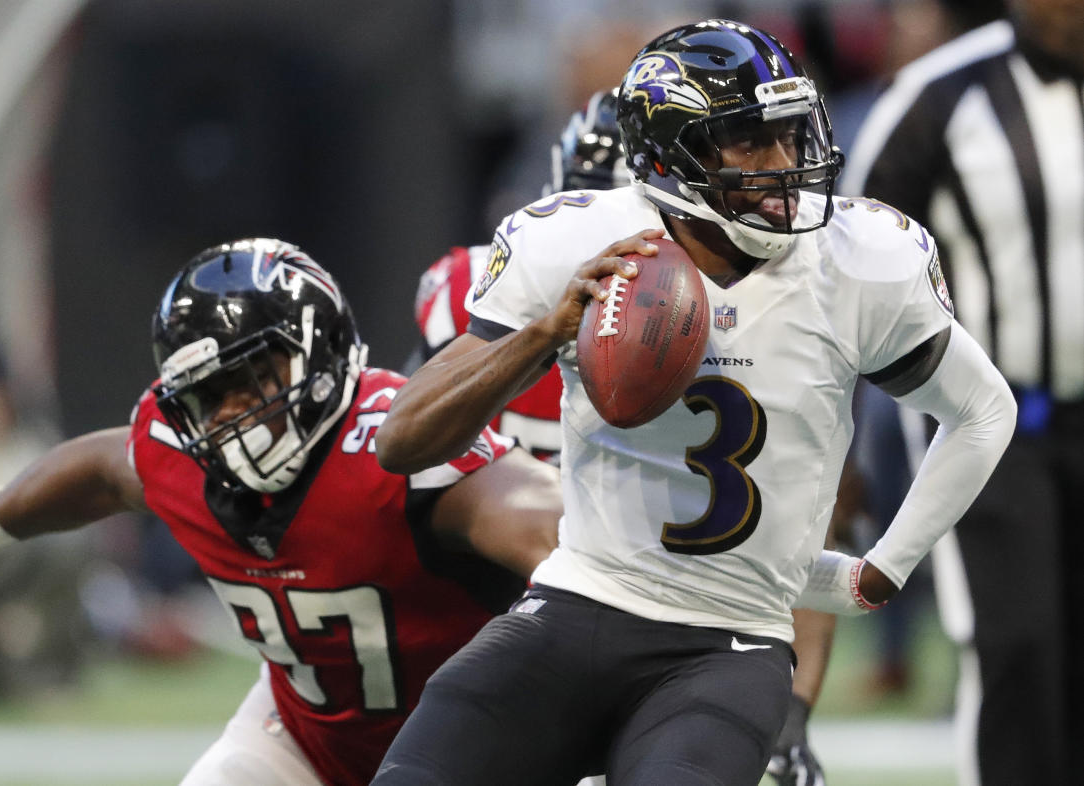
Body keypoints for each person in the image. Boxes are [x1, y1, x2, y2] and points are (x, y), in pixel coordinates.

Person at [374, 18, 1015, 786]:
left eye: (788, 134)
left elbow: (980, 411)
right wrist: (546, 332)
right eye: (747, 141)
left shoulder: (858, 264)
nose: (782, 164)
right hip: (579, 601)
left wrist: (883, 568)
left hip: (729, 641)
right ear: (664, 158)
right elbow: (401, 440)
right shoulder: (582, 242)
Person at [0, 238, 563, 786]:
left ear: (320, 351)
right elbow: (99, 471)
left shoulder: (396, 447)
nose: (227, 414)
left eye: (250, 380)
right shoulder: (180, 453)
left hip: (474, 753)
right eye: (206, 394)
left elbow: (560, 540)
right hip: (302, 740)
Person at [411, 87, 833, 786]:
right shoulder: (478, 289)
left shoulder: (765, 310)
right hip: (514, 621)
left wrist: (791, 715)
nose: (629, 258)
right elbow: (403, 459)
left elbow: (809, 522)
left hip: (678, 635)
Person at [842, 1, 1084, 782]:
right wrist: (831, 439)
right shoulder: (937, 96)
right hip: (989, 424)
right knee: (1016, 641)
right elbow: (844, 269)